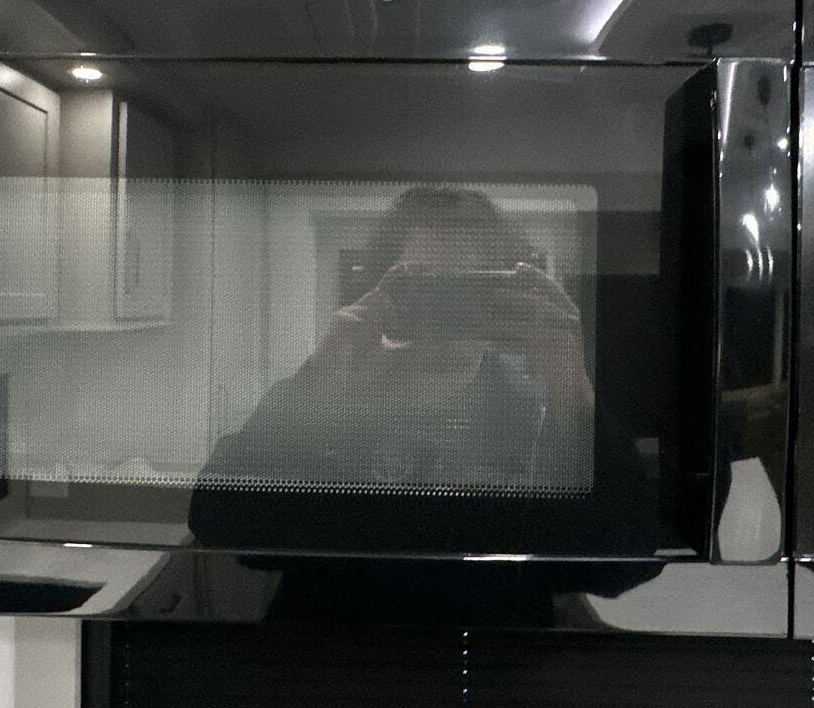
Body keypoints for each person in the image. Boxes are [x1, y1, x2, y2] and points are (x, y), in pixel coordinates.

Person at [189, 184, 663, 559]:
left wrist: (571, 390)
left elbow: (626, 550)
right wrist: (321, 374)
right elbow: (217, 522)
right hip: (330, 641)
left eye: (469, 287)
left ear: (504, 294)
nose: (449, 307)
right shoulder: (333, 393)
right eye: (429, 286)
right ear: (386, 290)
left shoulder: (542, 407)